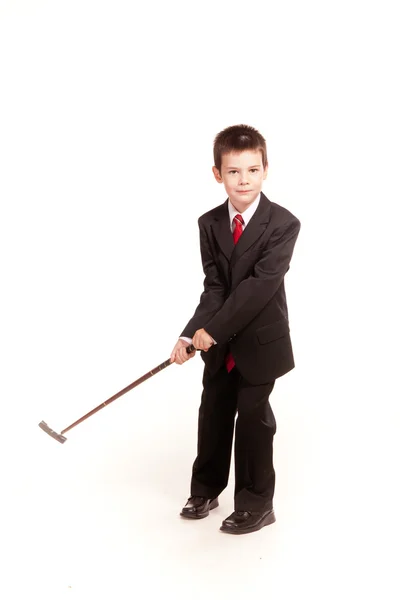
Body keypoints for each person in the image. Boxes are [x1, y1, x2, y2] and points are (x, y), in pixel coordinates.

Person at [170, 124, 301, 535]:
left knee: (253, 421)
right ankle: (205, 489)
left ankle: (257, 503)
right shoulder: (209, 223)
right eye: (233, 172)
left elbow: (258, 287)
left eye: (252, 170)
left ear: (266, 170)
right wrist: (191, 334)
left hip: (260, 343)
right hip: (218, 342)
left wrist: (214, 328)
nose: (243, 180)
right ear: (217, 174)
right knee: (213, 412)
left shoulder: (282, 223)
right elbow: (216, 287)